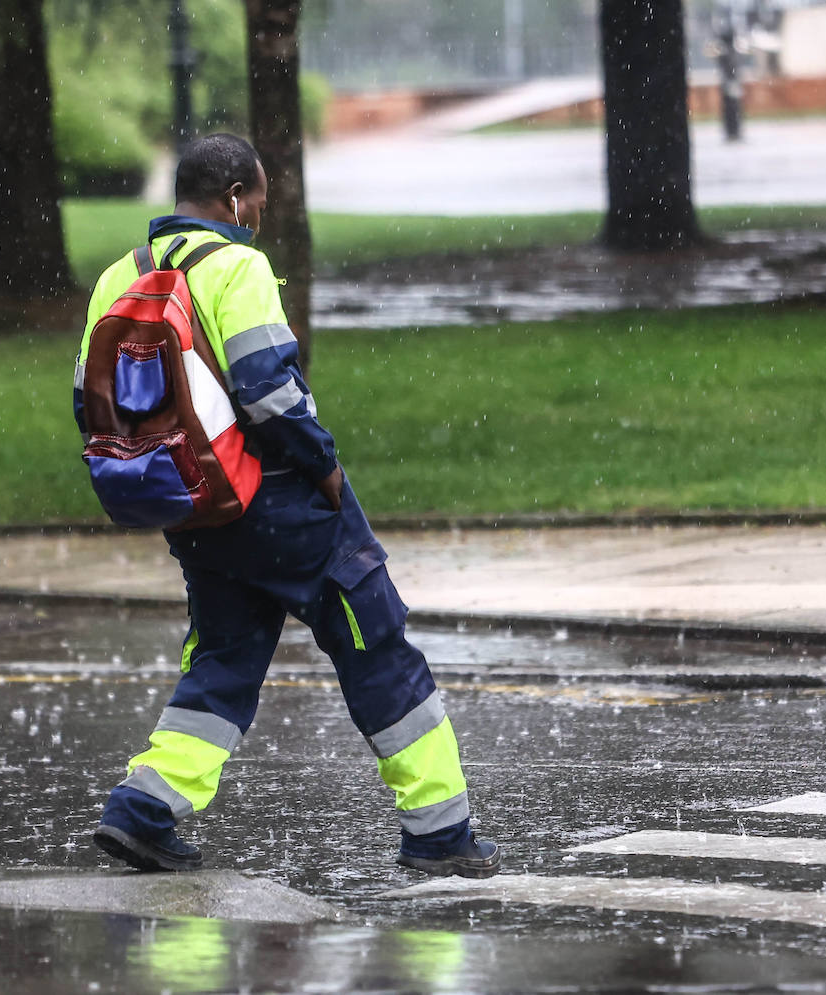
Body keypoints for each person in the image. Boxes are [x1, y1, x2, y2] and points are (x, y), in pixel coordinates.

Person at [74, 133, 501, 879]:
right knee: (378, 643)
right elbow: (271, 393)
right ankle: (440, 831)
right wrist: (326, 470)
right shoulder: (238, 266)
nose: (261, 218)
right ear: (236, 197)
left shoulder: (118, 275)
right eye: (260, 203)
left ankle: (143, 809)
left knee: (223, 660)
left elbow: (89, 397)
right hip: (278, 500)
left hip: (194, 506)